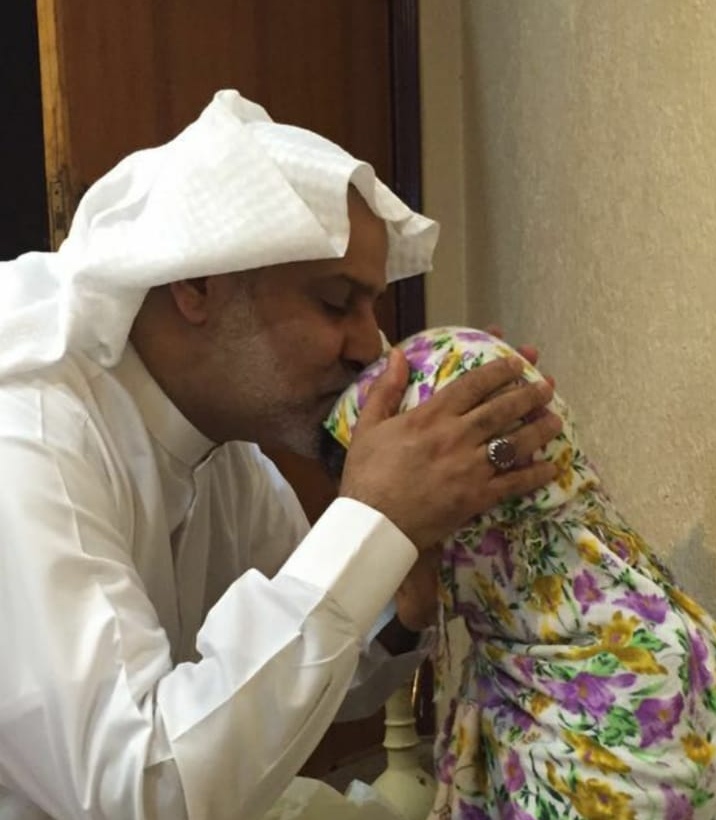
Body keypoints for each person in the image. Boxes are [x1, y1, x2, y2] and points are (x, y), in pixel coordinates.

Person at [0, 91, 561, 820]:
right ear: (197, 283)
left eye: (372, 307)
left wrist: (404, 593)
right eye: (336, 303)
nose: (370, 346)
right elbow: (142, 793)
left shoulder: (227, 457)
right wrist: (373, 520)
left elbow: (297, 684)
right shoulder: (30, 430)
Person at [324, 325, 716, 820]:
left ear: (471, 522)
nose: (375, 551)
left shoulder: (614, 710)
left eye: (383, 518)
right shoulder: (542, 638)